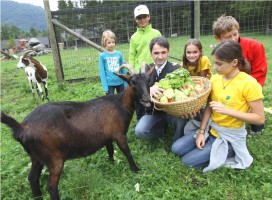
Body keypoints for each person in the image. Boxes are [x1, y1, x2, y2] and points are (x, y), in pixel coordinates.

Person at [171, 40, 265, 172]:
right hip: (211, 128)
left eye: (219, 64)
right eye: (214, 62)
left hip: (230, 134)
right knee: (176, 149)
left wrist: (227, 111)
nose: (214, 67)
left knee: (187, 162)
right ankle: (211, 144)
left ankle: (230, 149)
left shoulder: (249, 84)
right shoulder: (215, 79)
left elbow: (260, 118)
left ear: (234, 62)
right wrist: (201, 132)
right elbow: (209, 107)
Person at [212, 15, 267, 134]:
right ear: (218, 38)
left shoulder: (255, 46)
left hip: (250, 87)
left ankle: (255, 125)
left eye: (235, 34)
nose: (233, 39)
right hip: (230, 86)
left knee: (253, 112)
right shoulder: (221, 51)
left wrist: (245, 93)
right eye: (228, 37)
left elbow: (260, 73)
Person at [134, 36, 188, 141]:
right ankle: (161, 129)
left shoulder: (175, 69)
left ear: (168, 52)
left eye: (163, 52)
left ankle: (178, 139)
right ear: (150, 53)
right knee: (139, 131)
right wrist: (148, 90)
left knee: (181, 118)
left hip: (173, 111)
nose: (160, 56)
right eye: (156, 53)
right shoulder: (146, 70)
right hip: (153, 111)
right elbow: (137, 94)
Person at [129, 4, 161, 71]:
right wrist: (131, 71)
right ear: (135, 20)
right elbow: (132, 56)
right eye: (139, 18)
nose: (142, 20)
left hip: (155, 68)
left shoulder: (156, 33)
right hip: (139, 71)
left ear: (149, 17)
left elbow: (163, 50)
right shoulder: (133, 37)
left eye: (144, 17)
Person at [99, 30, 126, 95]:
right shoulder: (102, 56)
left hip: (120, 82)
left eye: (113, 42)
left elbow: (123, 69)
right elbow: (102, 72)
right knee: (110, 102)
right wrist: (105, 87)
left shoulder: (119, 54)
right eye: (109, 43)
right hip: (109, 84)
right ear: (104, 43)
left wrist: (125, 83)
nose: (111, 44)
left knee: (122, 100)